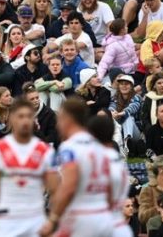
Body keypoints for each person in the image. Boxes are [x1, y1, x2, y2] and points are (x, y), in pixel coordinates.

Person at [38, 98, 113, 236]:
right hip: (104, 216)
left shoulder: (70, 147)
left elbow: (69, 186)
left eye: (59, 119)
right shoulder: (98, 144)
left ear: (68, 119)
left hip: (82, 218)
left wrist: (53, 219)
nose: (57, 125)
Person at [0, 98, 57, 236]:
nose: (25, 120)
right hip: (6, 221)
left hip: (35, 221)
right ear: (11, 118)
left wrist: (53, 219)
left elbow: (56, 189)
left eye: (29, 116)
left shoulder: (45, 151)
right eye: (20, 116)